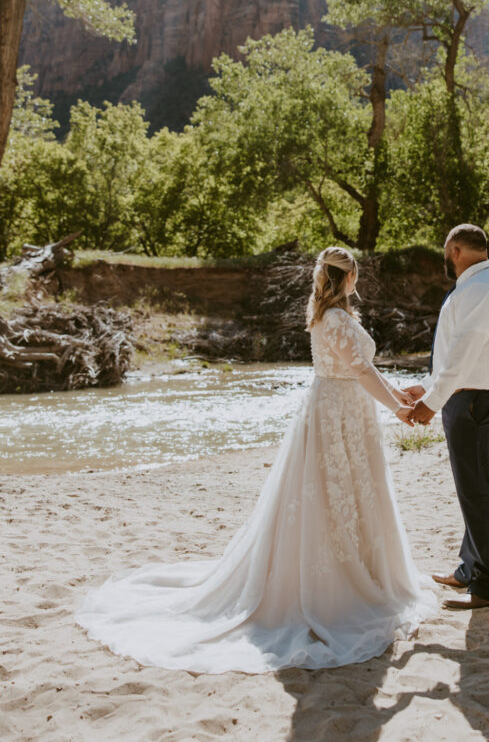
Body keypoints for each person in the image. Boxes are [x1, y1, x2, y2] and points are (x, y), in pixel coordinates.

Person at [75, 247, 436, 673]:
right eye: (356, 275)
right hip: (336, 414)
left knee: (352, 494)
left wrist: (400, 394)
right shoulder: (336, 319)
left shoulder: (336, 317)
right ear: (349, 278)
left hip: (346, 412)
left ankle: (362, 573)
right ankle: (335, 589)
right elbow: (358, 372)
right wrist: (396, 409)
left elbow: (362, 370)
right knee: (331, 496)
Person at [404, 223, 489, 611]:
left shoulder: (480, 288)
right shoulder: (481, 286)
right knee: (477, 487)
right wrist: (430, 387)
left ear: (454, 250)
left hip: (478, 402)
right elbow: (462, 354)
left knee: (476, 492)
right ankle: (471, 567)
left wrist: (433, 400)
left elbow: (466, 349)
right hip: (480, 396)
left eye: (445, 251)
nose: (445, 258)